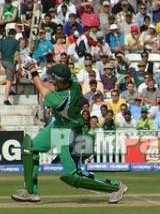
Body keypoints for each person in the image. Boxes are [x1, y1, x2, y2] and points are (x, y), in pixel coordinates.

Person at [12, 61, 128, 204]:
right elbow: (48, 86)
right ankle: (30, 191)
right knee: (30, 149)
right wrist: (29, 75)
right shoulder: (72, 83)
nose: (51, 81)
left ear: (60, 81)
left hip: (70, 132)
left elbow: (43, 89)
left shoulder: (61, 100)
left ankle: (116, 187)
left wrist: (33, 71)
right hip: (57, 125)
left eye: (54, 79)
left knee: (73, 175)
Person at [0, 29, 22, 106]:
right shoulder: (15, 41)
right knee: (9, 80)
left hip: (3, 61)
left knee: (9, 76)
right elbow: (17, 54)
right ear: (14, 34)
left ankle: (10, 90)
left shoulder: (3, 41)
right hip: (10, 62)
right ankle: (6, 99)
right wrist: (20, 63)